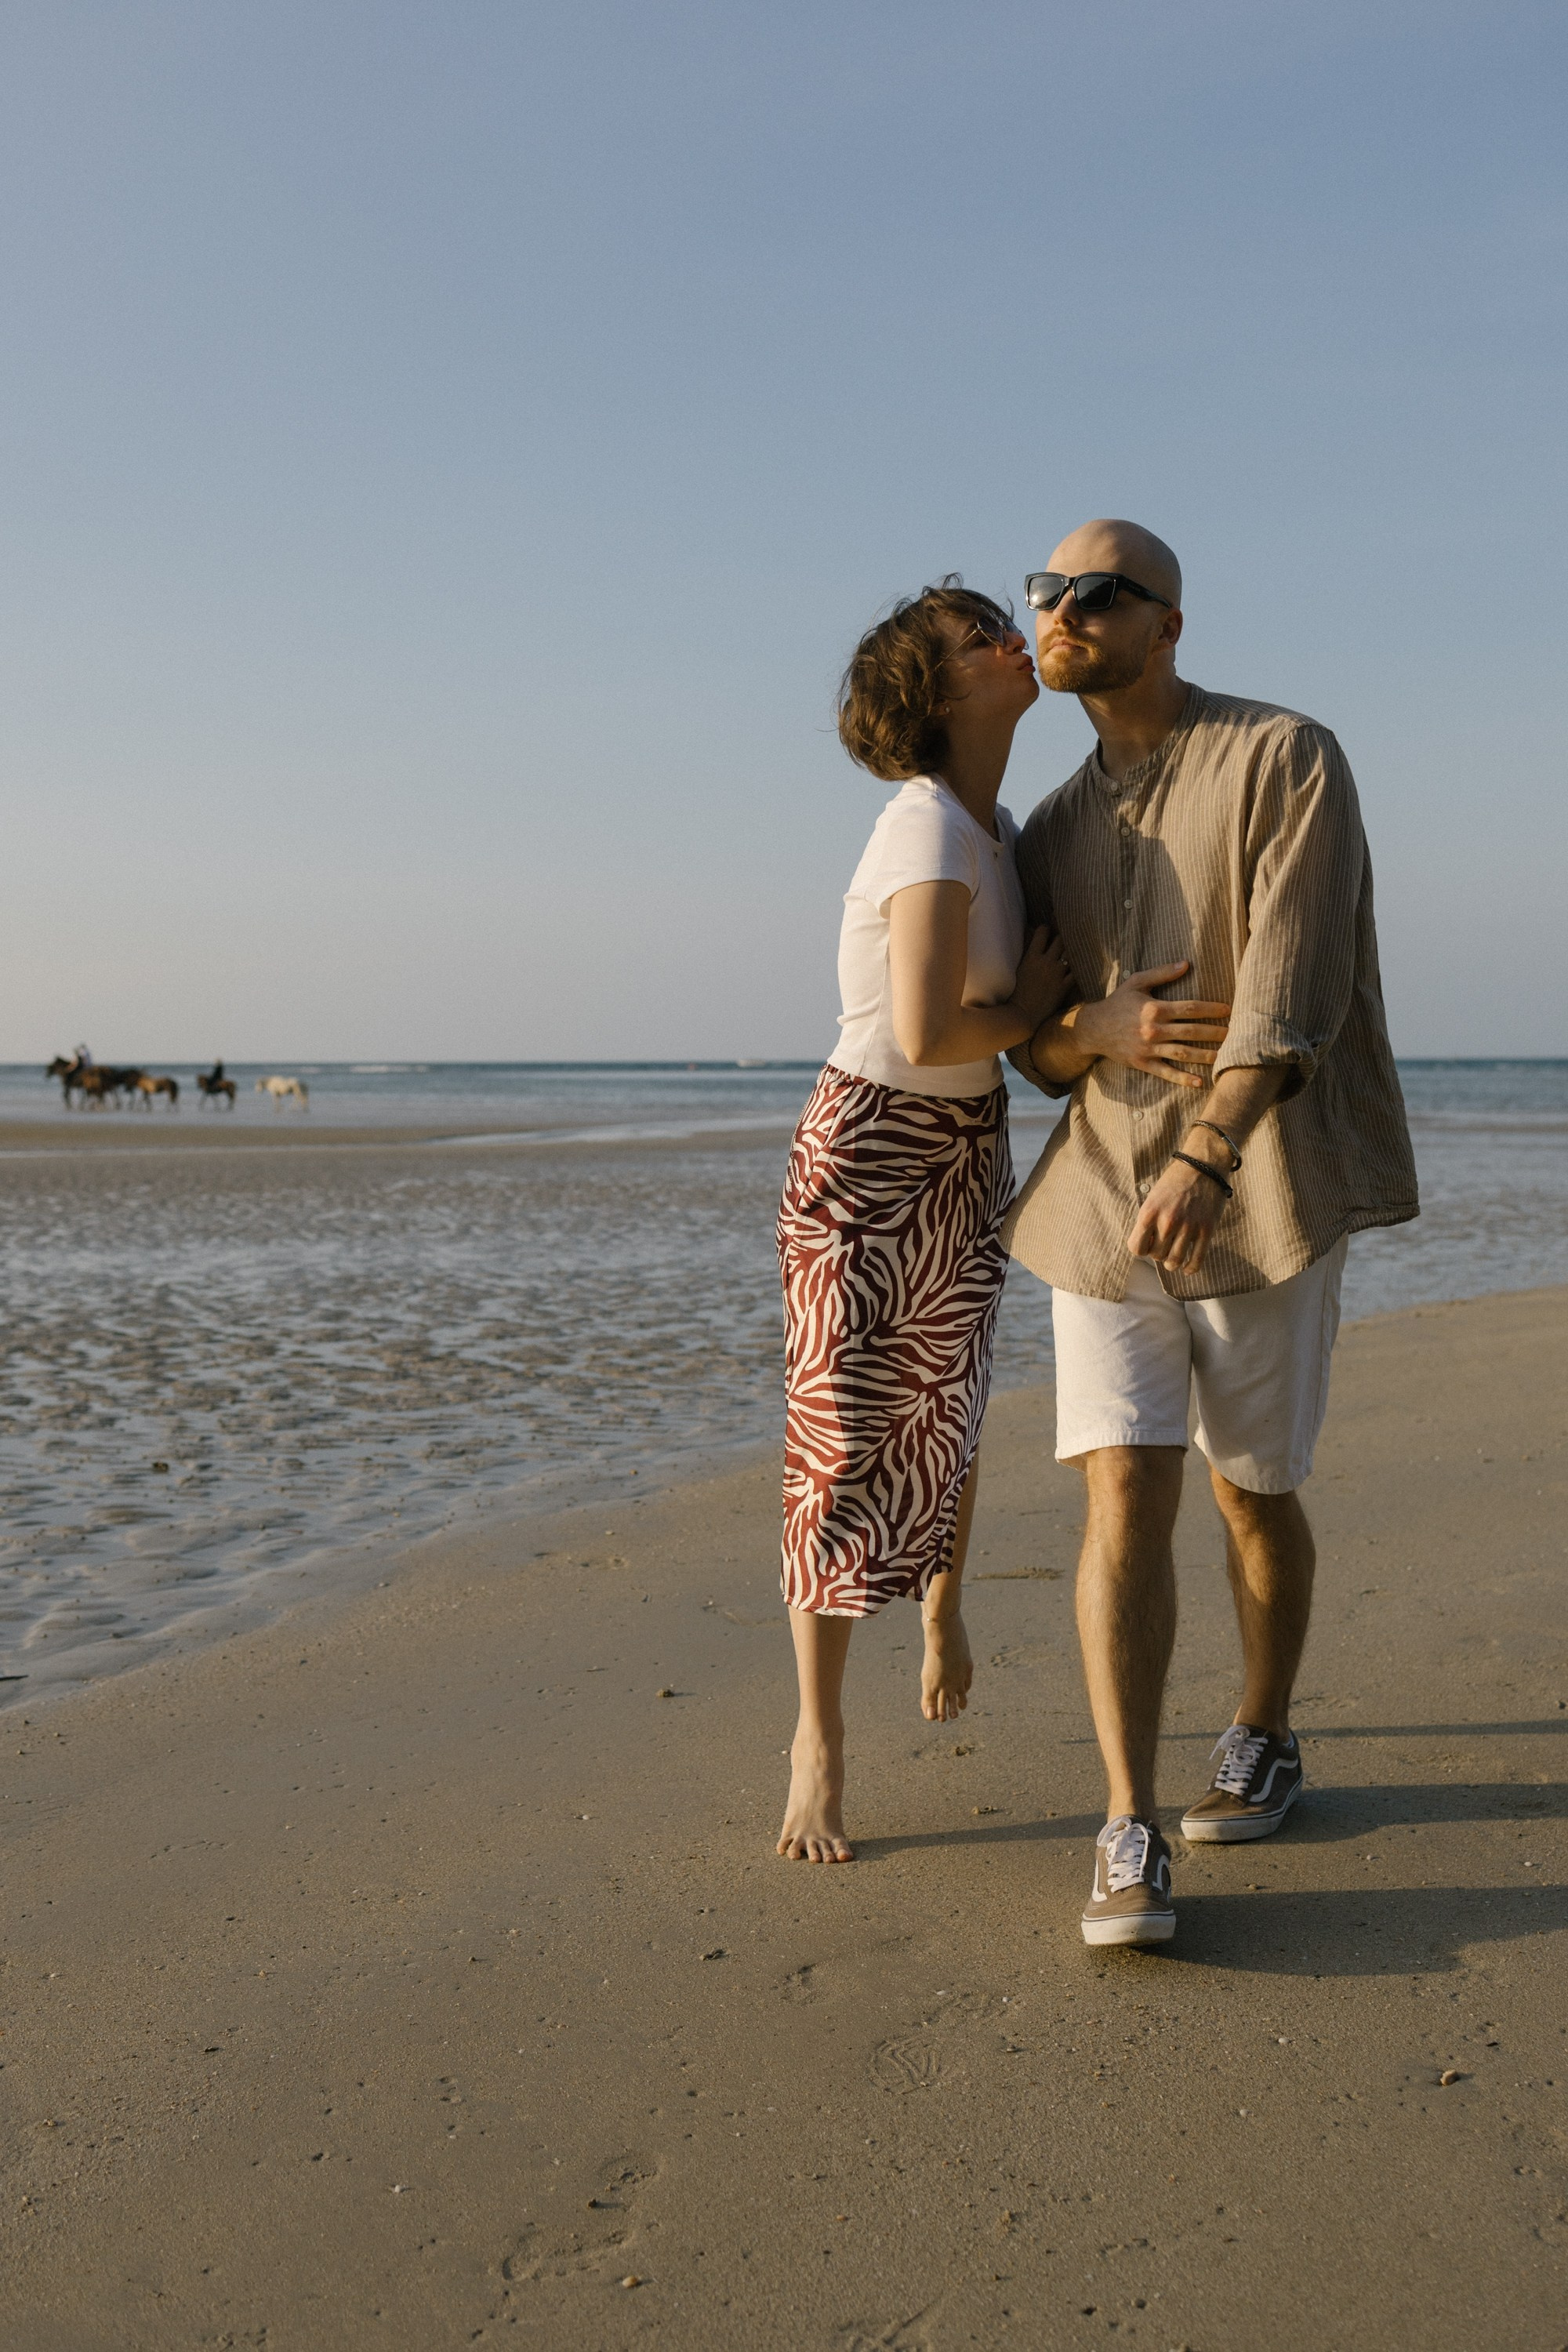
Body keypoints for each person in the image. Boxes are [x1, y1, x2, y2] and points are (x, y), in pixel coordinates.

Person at [1005, 519, 1417, 1944]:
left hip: (1259, 1181)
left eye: (1093, 594)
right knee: (1123, 1489)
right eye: (1043, 591)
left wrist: (1209, 1151)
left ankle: (1264, 1730)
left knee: (1251, 1489)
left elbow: (1293, 995)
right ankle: (1127, 1824)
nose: (1058, 612)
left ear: (1168, 624)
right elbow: (1031, 1050)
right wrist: (1085, 1026)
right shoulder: (1046, 831)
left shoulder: (1289, 759)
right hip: (1101, 1196)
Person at [776, 579, 1072, 1864]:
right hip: (869, 1148)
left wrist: (1048, 1032)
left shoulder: (998, 828)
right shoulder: (924, 830)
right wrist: (1054, 1024)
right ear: (934, 691)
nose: (1013, 637)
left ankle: (942, 1604)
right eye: (976, 637)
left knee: (950, 1404)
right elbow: (928, 1029)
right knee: (842, 1437)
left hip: (960, 1146)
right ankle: (817, 1741)